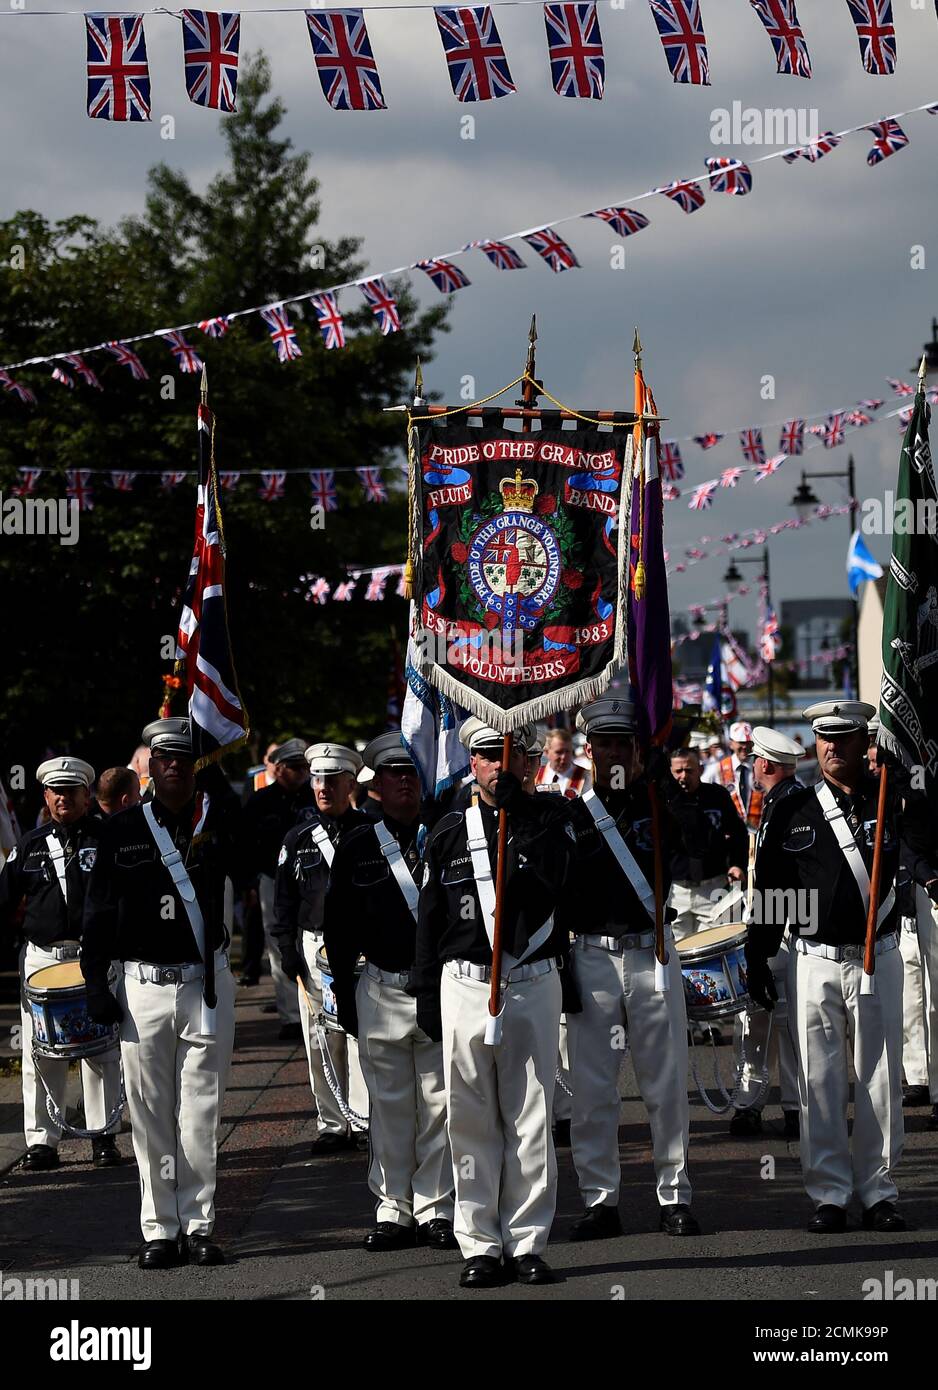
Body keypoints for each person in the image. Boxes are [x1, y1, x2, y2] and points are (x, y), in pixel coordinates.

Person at [747, 700, 938, 1233]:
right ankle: (828, 1193)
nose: (833, 746)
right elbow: (772, 889)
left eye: (844, 737)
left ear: (864, 743)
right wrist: (758, 955)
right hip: (814, 960)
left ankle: (878, 1191)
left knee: (878, 1079)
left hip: (877, 956)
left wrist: (906, 782)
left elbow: (926, 842)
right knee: (820, 1080)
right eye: (824, 737)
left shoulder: (893, 797)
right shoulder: (793, 808)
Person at [413, 718, 574, 1288]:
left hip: (530, 980)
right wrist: (424, 990)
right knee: (470, 1116)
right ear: (472, 763)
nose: (496, 766)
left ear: (528, 763)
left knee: (531, 1116)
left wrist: (525, 815)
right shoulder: (447, 830)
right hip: (462, 983)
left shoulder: (554, 819)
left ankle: (527, 1241)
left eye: (508, 756)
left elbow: (561, 880)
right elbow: (430, 920)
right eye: (485, 756)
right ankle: (479, 1243)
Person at [82, 718, 239, 1268]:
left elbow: (252, 860)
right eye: (164, 756)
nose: (173, 763)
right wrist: (93, 981)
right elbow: (98, 911)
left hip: (205, 984)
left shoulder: (217, 820)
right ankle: (160, 1228)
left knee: (201, 1113)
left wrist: (221, 786)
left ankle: (198, 1224)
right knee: (150, 1114)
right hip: (143, 986)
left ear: (195, 763)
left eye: (184, 756)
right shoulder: (121, 829)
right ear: (149, 765)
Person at [560, 698, 698, 1242]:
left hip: (652, 955)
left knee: (664, 1084)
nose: (614, 751)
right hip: (591, 956)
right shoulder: (571, 813)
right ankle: (600, 1202)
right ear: (589, 751)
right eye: (605, 743)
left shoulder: (658, 804)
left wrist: (663, 786)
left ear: (637, 750)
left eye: (624, 743)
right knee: (593, 1091)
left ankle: (675, 1195)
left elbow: (700, 848)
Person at [323, 732, 456, 1250]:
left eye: (411, 771)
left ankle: (436, 1207)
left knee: (440, 1103)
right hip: (380, 987)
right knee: (389, 1105)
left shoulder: (448, 834)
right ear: (375, 784)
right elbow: (339, 923)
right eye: (393, 773)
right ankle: (392, 1207)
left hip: (440, 990)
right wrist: (342, 985)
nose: (404, 780)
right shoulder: (357, 844)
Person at [0, 757, 123, 1171]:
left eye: (72, 790)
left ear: (87, 795)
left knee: (102, 1051)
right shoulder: (30, 845)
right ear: (46, 796)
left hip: (96, 955)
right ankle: (42, 1141)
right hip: (43, 958)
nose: (63, 797)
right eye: (56, 791)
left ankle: (104, 1135)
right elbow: (4, 900)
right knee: (41, 1053)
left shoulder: (109, 839)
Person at [273, 742, 370, 1152]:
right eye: (318, 779)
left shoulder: (370, 833)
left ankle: (365, 1121)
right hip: (314, 949)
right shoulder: (297, 839)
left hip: (363, 948)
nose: (324, 787)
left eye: (332, 780)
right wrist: (286, 949)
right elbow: (284, 900)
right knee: (319, 1039)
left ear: (350, 783)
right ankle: (332, 1123)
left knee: (360, 1034)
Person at [729, 727, 805, 1139]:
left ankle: (777, 1106)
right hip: (778, 923)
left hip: (784, 926)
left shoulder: (788, 805)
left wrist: (762, 944)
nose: (754, 767)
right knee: (768, 1017)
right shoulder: (781, 802)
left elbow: (783, 880)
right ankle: (771, 1104)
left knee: (771, 1016)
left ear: (767, 765)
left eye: (757, 761)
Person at [241, 738, 316, 1038]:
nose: (302, 774)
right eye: (296, 768)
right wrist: (250, 884)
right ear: (280, 768)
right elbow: (245, 844)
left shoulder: (312, 799)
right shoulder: (261, 801)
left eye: (305, 768)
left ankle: (313, 1008)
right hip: (271, 879)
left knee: (308, 943)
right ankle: (291, 1017)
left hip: (309, 882)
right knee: (279, 948)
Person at [667, 746, 747, 941]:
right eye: (678, 771)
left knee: (712, 951)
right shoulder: (664, 801)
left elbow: (738, 832)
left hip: (712, 887)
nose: (683, 776)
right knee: (675, 956)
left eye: (689, 770)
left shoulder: (717, 796)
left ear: (700, 770)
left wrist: (737, 863)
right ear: (670, 772)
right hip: (675, 892)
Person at [702, 721, 755, 824]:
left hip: (757, 832)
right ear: (731, 744)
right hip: (729, 831)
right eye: (741, 742)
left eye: (748, 743)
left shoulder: (761, 767)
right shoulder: (717, 769)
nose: (744, 747)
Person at [534, 727, 591, 798]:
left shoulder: (586, 776)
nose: (564, 757)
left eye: (567, 751)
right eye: (559, 752)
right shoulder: (535, 774)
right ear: (546, 752)